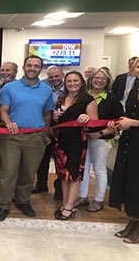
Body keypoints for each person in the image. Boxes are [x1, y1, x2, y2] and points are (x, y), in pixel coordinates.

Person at [0, 55, 53, 222]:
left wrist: (46, 134)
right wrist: (8, 122)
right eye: (29, 65)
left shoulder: (46, 90)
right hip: (11, 137)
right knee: (8, 171)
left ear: (40, 69)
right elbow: (3, 110)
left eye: (36, 66)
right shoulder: (10, 88)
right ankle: (3, 204)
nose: (32, 68)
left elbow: (47, 113)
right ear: (24, 67)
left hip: (35, 137)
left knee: (28, 172)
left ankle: (23, 201)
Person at [74, 68, 123, 212]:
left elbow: (119, 122)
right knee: (83, 168)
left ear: (107, 82)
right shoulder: (82, 96)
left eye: (103, 78)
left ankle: (98, 200)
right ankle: (83, 197)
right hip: (82, 138)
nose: (99, 80)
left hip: (101, 140)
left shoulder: (112, 99)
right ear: (91, 79)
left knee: (99, 170)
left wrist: (100, 133)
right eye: (96, 77)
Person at [53, 71, 98, 220]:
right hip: (60, 142)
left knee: (73, 175)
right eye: (69, 81)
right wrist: (54, 117)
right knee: (63, 176)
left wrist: (87, 118)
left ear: (81, 82)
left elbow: (94, 123)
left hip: (76, 143)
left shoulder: (88, 100)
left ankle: (69, 207)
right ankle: (65, 203)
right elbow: (58, 121)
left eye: (75, 81)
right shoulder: (61, 98)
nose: (72, 83)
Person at [108, 57, 139, 244]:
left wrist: (133, 123)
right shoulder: (133, 87)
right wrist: (121, 123)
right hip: (130, 141)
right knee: (131, 182)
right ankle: (133, 220)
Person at [33, 66, 65, 197]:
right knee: (43, 157)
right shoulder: (44, 89)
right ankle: (41, 185)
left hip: (65, 126)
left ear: (63, 75)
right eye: (51, 77)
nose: (54, 79)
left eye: (57, 76)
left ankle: (60, 188)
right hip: (46, 124)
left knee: (61, 159)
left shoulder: (70, 90)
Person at [0, 61, 18, 196]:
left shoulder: (19, 88)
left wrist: (6, 122)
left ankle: (12, 192)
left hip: (13, 131)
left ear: (15, 72)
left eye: (8, 70)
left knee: (12, 165)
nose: (4, 73)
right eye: (2, 70)